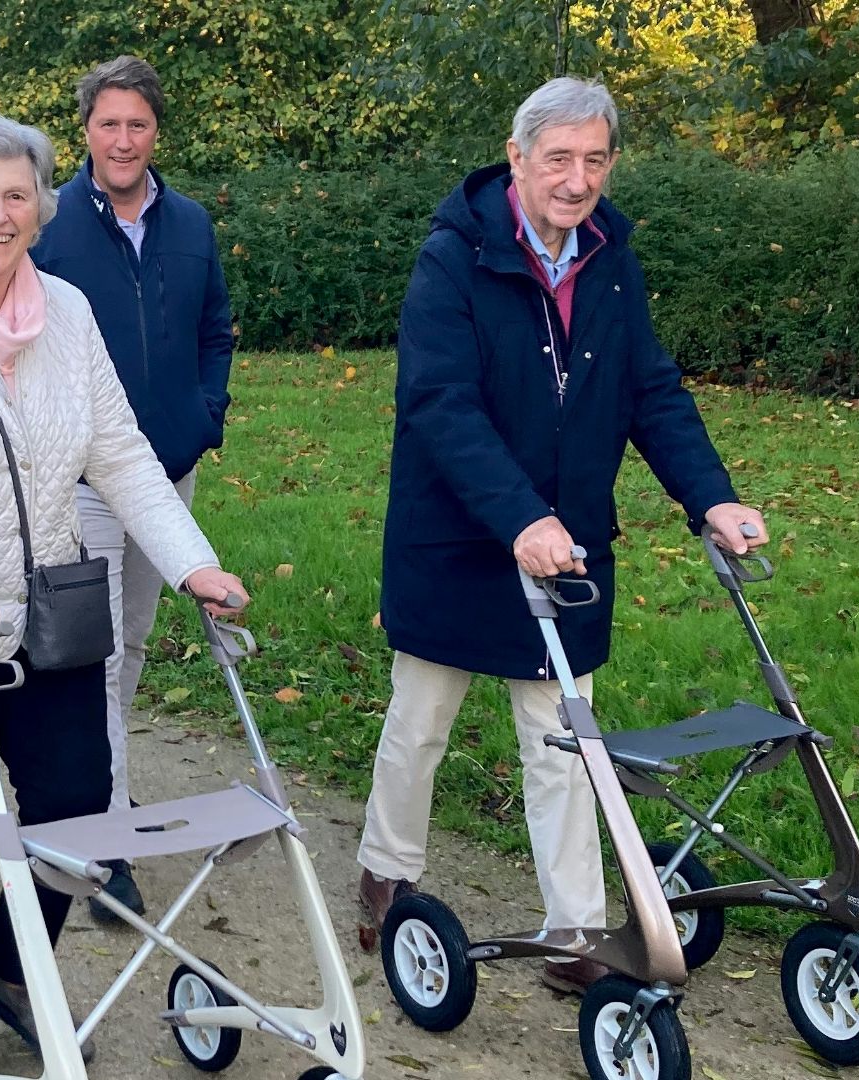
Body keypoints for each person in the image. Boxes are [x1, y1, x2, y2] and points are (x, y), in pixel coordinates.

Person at [0, 113, 248, 1076]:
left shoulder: (66, 310)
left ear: (42, 208)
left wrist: (192, 562)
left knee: (74, 809)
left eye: (17, 194)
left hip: (50, 616)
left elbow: (122, 455)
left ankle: (9, 971)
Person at [353, 77, 768, 995]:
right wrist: (518, 516)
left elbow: (649, 388)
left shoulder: (612, 260)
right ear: (517, 158)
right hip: (457, 539)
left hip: (566, 546)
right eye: (559, 159)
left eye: (595, 159)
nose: (578, 180)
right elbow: (441, 404)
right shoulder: (452, 258)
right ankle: (386, 871)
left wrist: (711, 497)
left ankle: (575, 929)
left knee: (566, 739)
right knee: (420, 723)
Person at [31, 54, 234, 920]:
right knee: (97, 652)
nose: (123, 139)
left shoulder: (189, 223)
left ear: (156, 132)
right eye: (108, 123)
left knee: (136, 642)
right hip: (82, 481)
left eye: (138, 124)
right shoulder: (48, 225)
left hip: (168, 473)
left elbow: (216, 328)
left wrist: (205, 415)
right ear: (86, 130)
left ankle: (99, 782)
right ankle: (106, 840)